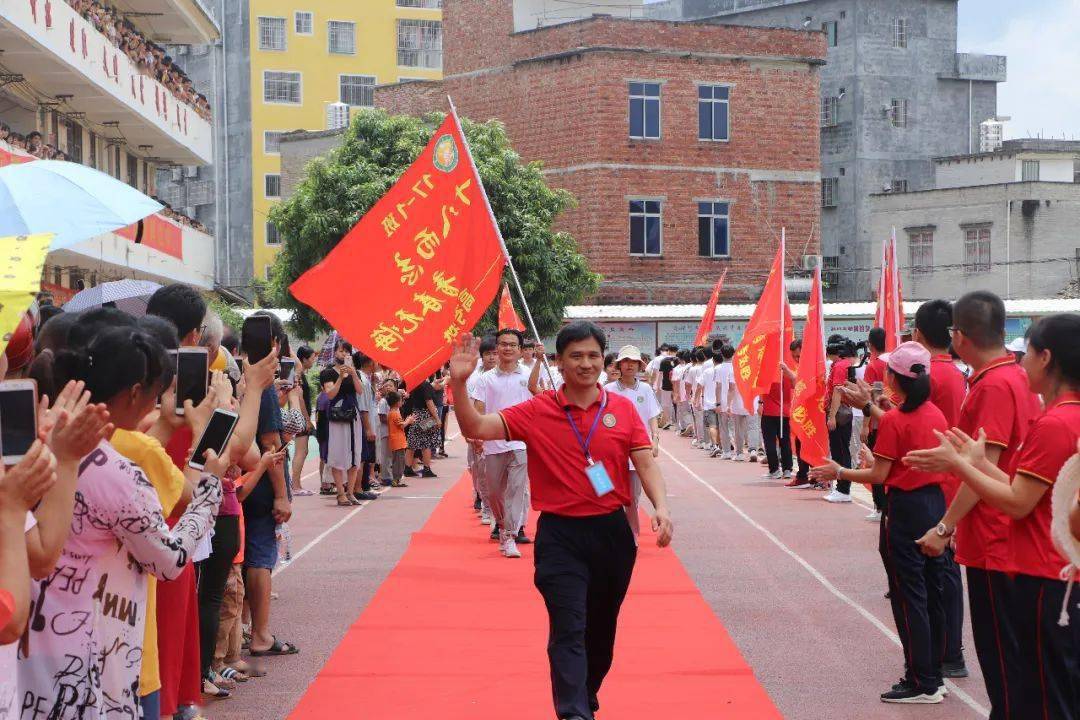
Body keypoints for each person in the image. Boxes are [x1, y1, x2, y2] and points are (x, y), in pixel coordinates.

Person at [449, 322, 673, 720]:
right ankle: (573, 712)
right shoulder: (538, 411)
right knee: (568, 627)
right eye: (576, 356)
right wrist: (460, 386)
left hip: (611, 535)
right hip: (560, 536)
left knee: (600, 635)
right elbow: (476, 428)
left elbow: (644, 462)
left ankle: (585, 693)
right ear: (559, 361)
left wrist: (661, 507)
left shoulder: (622, 409)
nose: (585, 364)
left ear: (602, 361)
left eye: (592, 356)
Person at [18, 326, 223, 720]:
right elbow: (170, 560)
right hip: (97, 665)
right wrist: (210, 488)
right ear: (135, 393)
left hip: (33, 658)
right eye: (156, 393)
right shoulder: (114, 471)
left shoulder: (35, 447)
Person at [906, 313, 1080, 718]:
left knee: (1043, 693)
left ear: (1047, 359)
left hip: (1044, 574)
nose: (1023, 363)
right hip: (1057, 570)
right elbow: (1038, 494)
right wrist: (976, 462)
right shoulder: (1063, 417)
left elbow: (1019, 502)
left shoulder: (1055, 423)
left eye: (1030, 353)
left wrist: (960, 465)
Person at [881, 291, 1039, 720]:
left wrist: (945, 526)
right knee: (1012, 650)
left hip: (994, 532)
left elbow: (984, 467)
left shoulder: (995, 385)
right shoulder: (1011, 377)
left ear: (961, 336)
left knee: (1002, 654)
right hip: (1003, 526)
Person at [812, 342, 949, 704]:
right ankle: (935, 672)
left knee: (908, 596)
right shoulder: (934, 413)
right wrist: (874, 408)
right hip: (934, 505)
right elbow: (899, 436)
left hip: (904, 509)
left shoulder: (899, 421)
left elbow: (880, 474)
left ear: (892, 378)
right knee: (931, 592)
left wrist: (839, 470)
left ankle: (921, 680)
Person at [911, 299, 969, 677]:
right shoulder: (959, 374)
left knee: (942, 570)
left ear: (918, 334)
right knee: (943, 570)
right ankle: (949, 649)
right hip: (951, 476)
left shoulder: (929, 376)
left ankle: (950, 652)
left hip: (936, 481)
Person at [472, 328, 533, 557]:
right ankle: (500, 523)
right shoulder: (485, 379)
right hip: (493, 442)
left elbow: (539, 403)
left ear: (520, 350)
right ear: (497, 348)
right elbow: (478, 407)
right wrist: (477, 435)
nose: (508, 348)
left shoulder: (528, 376)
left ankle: (510, 535)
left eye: (513, 345)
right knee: (495, 492)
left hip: (520, 443)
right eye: (504, 344)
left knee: (517, 490)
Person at [604, 345, 661, 539]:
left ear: (639, 365)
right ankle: (614, 532)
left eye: (634, 362)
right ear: (619, 365)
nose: (630, 365)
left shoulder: (645, 389)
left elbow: (653, 416)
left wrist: (655, 439)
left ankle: (631, 534)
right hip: (612, 450)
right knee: (608, 492)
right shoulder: (608, 390)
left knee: (632, 497)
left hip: (638, 451)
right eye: (626, 361)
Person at [469, 336, 499, 523]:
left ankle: (512, 523)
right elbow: (470, 405)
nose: (492, 357)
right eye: (488, 354)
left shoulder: (513, 375)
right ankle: (486, 506)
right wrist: (471, 431)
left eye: (494, 353)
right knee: (481, 471)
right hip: (482, 430)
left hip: (504, 431)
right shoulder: (474, 378)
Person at [824, 335, 856, 503]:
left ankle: (843, 489)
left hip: (839, 413)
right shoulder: (843, 365)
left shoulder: (840, 366)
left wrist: (831, 416)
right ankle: (841, 488)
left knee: (840, 451)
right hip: (841, 412)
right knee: (840, 450)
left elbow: (837, 391)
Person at [290, 345, 317, 496]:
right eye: (312, 358)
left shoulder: (302, 375)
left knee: (303, 450)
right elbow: (299, 399)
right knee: (301, 451)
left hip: (302, 416)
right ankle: (295, 485)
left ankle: (297, 483)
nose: (313, 361)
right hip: (300, 417)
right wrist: (307, 419)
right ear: (304, 359)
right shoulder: (298, 375)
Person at [403, 374, 440, 478]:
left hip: (416, 414)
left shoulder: (415, 384)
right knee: (426, 442)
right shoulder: (425, 385)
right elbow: (429, 402)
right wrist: (436, 418)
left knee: (412, 442)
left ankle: (407, 467)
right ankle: (427, 468)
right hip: (426, 415)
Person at [386, 391, 411, 488]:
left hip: (396, 441)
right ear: (397, 402)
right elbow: (402, 425)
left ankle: (397, 479)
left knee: (398, 461)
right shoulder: (395, 413)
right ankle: (396, 479)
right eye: (401, 400)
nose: (402, 402)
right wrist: (408, 421)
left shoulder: (393, 412)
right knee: (399, 462)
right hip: (398, 441)